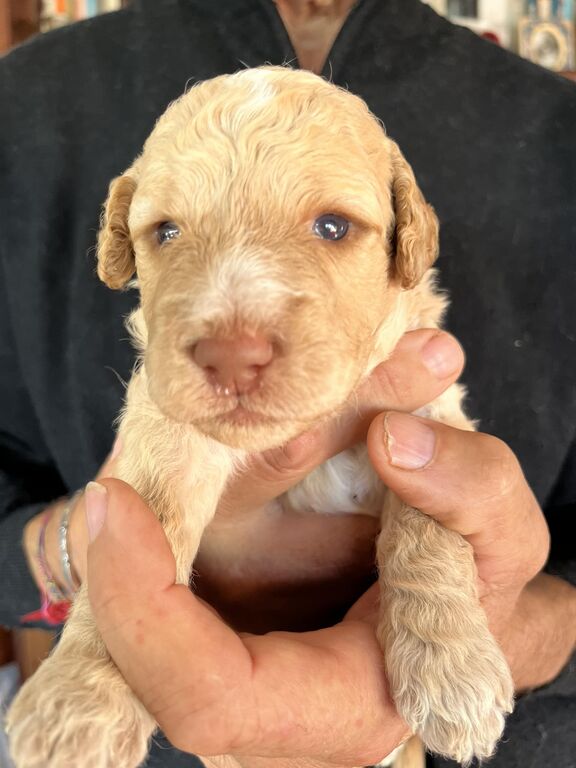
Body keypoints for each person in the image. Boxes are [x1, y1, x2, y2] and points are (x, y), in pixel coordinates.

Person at [0, 0, 575, 765]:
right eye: (167, 231)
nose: (235, 344)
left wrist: (522, 627)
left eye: (332, 227)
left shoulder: (558, 130)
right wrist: (85, 552)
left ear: (410, 235)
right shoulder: (22, 102)